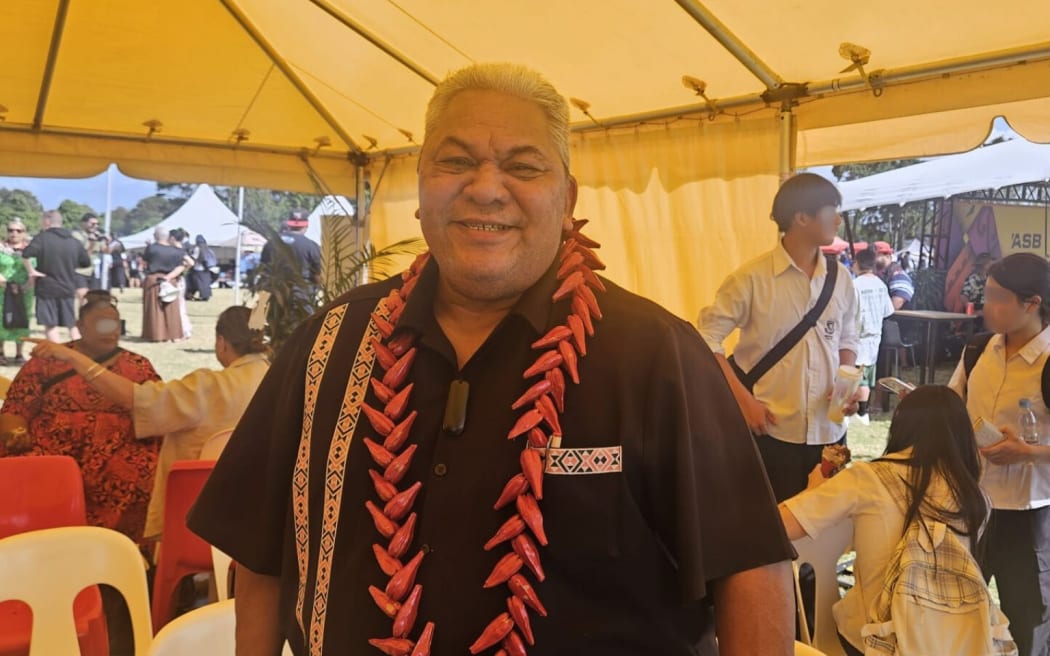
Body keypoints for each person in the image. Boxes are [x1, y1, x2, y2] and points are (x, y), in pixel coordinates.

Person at [188, 63, 794, 656]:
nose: (485, 187)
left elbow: (750, 570)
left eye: (522, 166)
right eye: (455, 162)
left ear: (566, 199)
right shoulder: (327, 345)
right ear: (421, 191)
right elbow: (261, 552)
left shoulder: (657, 354)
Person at [779, 386, 990, 656]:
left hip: (873, 642)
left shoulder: (867, 479)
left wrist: (813, 491)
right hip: (952, 642)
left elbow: (777, 526)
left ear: (901, 426)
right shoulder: (976, 498)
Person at [28, 306, 270, 540]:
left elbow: (133, 398)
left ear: (222, 342)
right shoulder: (283, 380)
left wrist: (73, 357)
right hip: (264, 513)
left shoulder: (208, 387)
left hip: (202, 518)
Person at [698, 173, 860, 502]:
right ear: (802, 217)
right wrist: (743, 403)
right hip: (770, 432)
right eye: (832, 211)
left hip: (830, 434)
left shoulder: (840, 277)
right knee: (768, 533)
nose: (839, 220)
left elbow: (848, 338)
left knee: (825, 534)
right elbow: (705, 339)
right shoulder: (751, 279)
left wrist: (847, 385)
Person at [948, 253, 1050, 656]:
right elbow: (953, 408)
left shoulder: (1046, 361)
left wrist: (1029, 452)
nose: (985, 305)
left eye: (997, 297)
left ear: (1031, 304)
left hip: (1029, 513)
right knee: (955, 605)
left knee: (1028, 618)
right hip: (972, 504)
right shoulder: (977, 351)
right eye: (985, 294)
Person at [0, 294, 161, 544]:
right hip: (53, 451)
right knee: (23, 469)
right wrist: (16, 433)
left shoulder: (137, 366)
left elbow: (156, 410)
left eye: (116, 324)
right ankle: (30, 548)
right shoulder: (47, 360)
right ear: (81, 326)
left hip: (119, 453)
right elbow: (15, 407)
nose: (111, 332)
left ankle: (121, 555)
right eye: (101, 325)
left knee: (140, 472)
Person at [22, 209, 91, 342]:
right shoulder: (74, 241)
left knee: (50, 324)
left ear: (47, 221)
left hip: (47, 287)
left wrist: (31, 271)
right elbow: (85, 262)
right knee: (71, 324)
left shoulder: (42, 238)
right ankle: (80, 352)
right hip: (67, 287)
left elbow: (26, 255)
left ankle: (59, 357)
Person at [852, 248, 895, 425]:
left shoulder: (855, 285)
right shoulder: (881, 285)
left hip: (857, 336)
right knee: (868, 375)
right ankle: (863, 410)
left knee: (856, 376)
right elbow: (888, 311)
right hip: (874, 337)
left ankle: (860, 413)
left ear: (857, 264)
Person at [258, 211, 321, 309]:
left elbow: (263, 272)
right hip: (301, 298)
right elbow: (318, 276)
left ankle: (257, 320)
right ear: (306, 226)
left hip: (272, 295)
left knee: (257, 321)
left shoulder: (271, 243)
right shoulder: (311, 246)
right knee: (308, 323)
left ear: (289, 224)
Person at [141, 227, 191, 342]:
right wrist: (170, 276)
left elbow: (144, 263)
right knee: (171, 309)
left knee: (154, 309)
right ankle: (173, 335)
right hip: (170, 279)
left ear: (155, 236)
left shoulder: (151, 248)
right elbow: (183, 265)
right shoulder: (176, 251)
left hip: (154, 279)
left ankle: (155, 335)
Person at [0, 219, 34, 364]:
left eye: (18, 230)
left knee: (22, 320)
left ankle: (19, 354)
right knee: (1, 320)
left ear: (23, 233)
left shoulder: (30, 249)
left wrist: (27, 285)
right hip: (2, 290)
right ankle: (1, 353)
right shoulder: (1, 248)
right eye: (11, 230)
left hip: (24, 291)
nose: (14, 233)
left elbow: (34, 269)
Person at [71, 212, 107, 298]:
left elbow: (105, 251)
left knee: (94, 298)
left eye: (97, 224)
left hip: (94, 271)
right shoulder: (77, 236)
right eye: (93, 224)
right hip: (80, 271)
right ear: (83, 223)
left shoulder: (97, 235)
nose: (95, 226)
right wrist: (92, 242)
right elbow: (83, 256)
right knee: (84, 297)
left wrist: (109, 243)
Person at [874, 242, 914, 311]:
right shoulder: (877, 274)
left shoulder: (898, 275)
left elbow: (897, 302)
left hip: (897, 320)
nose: (871, 259)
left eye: (875, 256)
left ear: (887, 256)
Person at [186, 234, 215, 302]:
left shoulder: (197, 248)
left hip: (198, 269)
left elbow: (194, 258)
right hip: (207, 269)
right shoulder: (208, 248)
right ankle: (206, 296)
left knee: (196, 284)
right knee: (206, 284)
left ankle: (191, 295)